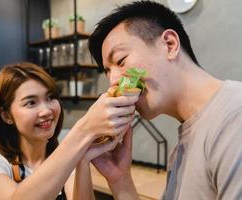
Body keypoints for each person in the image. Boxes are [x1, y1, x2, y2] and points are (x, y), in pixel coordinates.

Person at [88, 1, 242, 200]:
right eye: (108, 72)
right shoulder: (180, 152)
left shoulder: (235, 118)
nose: (114, 82)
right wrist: (120, 179)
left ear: (169, 44)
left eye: (120, 60)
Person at [0, 62, 138, 200]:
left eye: (50, 97)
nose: (46, 110)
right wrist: (84, 129)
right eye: (31, 103)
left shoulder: (66, 159)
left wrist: (83, 160)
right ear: (7, 115)